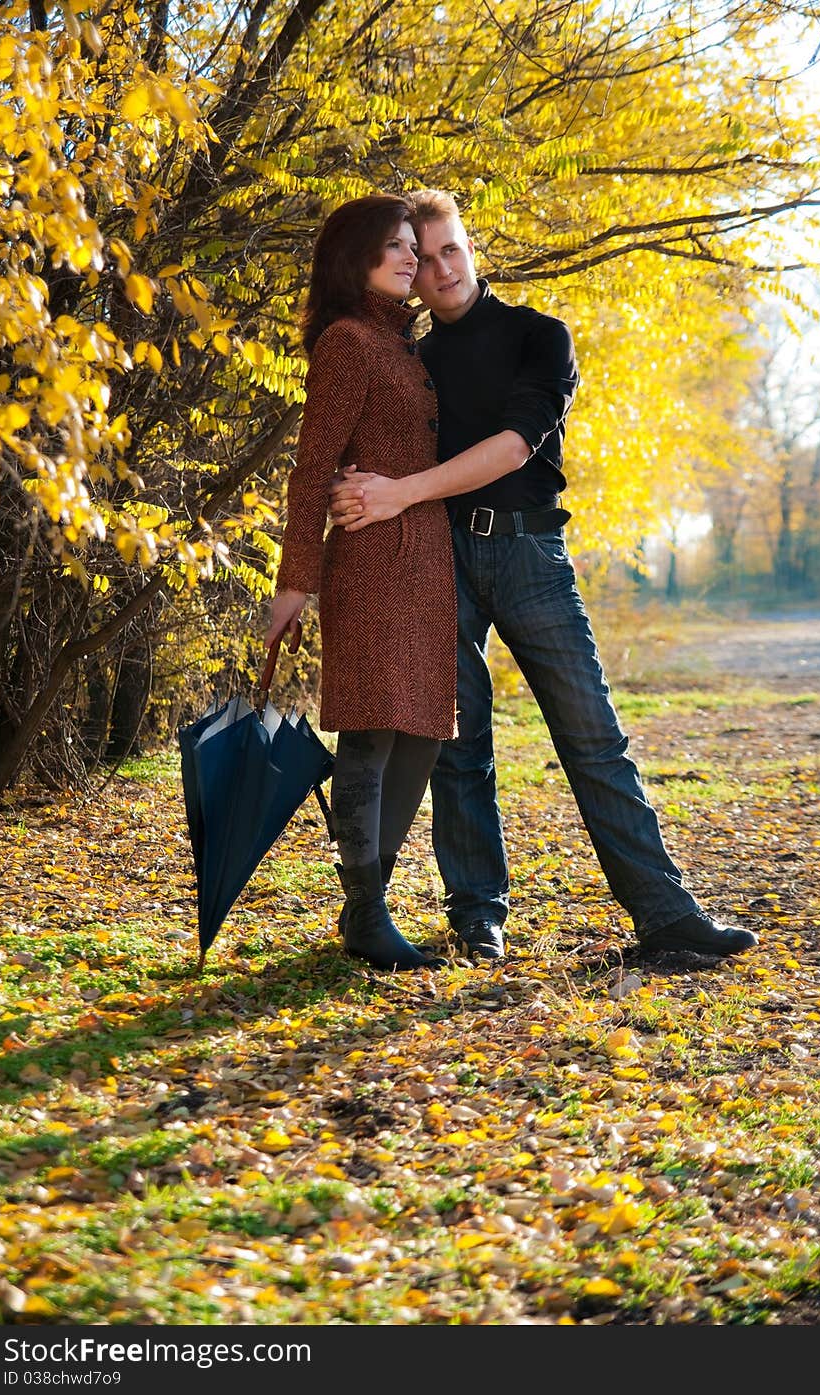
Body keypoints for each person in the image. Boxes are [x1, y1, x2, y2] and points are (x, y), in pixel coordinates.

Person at [329, 189, 758, 963]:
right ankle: (477, 917)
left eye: (451, 248)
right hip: (439, 559)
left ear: (472, 247)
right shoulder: (410, 364)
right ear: (409, 274)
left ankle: (666, 917)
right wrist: (355, 486)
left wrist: (400, 492)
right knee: (458, 744)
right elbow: (368, 447)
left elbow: (515, 445)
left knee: (591, 733)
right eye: (421, 259)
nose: (440, 268)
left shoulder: (540, 336)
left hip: (530, 554)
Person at [265, 195, 540, 971]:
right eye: (392, 248)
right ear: (353, 258)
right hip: (371, 561)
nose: (409, 260)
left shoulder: (405, 345)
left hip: (426, 562)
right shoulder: (349, 342)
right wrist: (296, 580)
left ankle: (368, 897)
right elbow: (312, 466)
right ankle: (366, 909)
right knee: (372, 728)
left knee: (424, 726)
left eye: (411, 250)